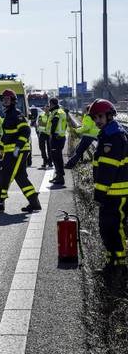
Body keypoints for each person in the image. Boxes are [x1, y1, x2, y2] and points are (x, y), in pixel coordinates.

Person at [89, 99, 128, 285]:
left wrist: (99, 194)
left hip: (116, 194)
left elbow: (108, 170)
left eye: (100, 116)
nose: (97, 120)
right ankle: (110, 263)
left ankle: (120, 268)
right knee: (106, 229)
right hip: (109, 193)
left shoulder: (114, 137)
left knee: (115, 229)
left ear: (109, 115)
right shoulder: (107, 134)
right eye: (95, 117)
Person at [0, 90, 41, 213]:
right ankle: (34, 201)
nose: (5, 101)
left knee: (5, 175)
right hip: (11, 152)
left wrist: (18, 147)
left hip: (18, 152)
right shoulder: (8, 115)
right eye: (3, 99)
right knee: (20, 177)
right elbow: (7, 136)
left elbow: (26, 131)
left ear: (13, 100)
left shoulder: (17, 114)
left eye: (7, 99)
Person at [64, 104, 99, 168]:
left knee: (79, 151)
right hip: (96, 135)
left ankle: (70, 165)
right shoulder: (97, 116)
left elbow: (86, 127)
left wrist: (77, 130)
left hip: (88, 135)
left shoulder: (89, 116)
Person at [48, 97, 68, 185]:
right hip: (61, 137)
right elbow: (66, 125)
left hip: (56, 138)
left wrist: (52, 134)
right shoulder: (62, 111)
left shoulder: (56, 112)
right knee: (57, 157)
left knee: (56, 158)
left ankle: (60, 177)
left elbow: (54, 123)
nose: (49, 106)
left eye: (50, 104)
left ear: (52, 104)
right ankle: (58, 176)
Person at [37, 104, 52, 169]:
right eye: (45, 109)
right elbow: (39, 123)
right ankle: (45, 160)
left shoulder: (52, 115)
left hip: (49, 134)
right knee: (42, 148)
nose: (46, 110)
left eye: (48, 109)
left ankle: (50, 162)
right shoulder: (41, 115)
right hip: (42, 133)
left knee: (49, 149)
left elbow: (52, 124)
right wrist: (47, 124)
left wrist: (44, 123)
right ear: (44, 109)